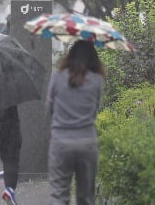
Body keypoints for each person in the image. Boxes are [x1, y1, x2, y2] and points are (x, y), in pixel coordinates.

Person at [46, 40, 104, 205]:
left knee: (59, 195)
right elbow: (95, 110)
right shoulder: (97, 80)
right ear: (94, 58)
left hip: (61, 142)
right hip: (87, 142)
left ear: (70, 57)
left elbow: (49, 108)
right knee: (85, 197)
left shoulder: (57, 78)